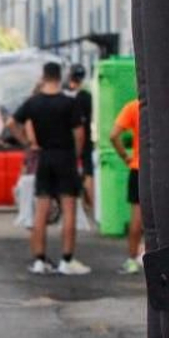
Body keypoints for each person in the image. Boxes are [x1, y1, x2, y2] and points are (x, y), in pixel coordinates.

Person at [9, 61, 89, 275]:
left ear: (44, 76)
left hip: (44, 156)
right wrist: (76, 155)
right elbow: (79, 134)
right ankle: (67, 260)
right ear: (60, 76)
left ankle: (39, 260)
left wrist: (26, 142)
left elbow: (11, 123)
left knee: (41, 210)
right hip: (65, 156)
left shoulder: (33, 103)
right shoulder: (69, 103)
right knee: (69, 208)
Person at [111, 95, 143, 273]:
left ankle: (132, 259)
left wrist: (125, 157)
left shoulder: (133, 107)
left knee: (136, 217)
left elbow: (113, 135)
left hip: (138, 168)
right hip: (162, 168)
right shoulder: (163, 107)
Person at [65, 63, 96, 227]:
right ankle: (92, 206)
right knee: (88, 172)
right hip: (89, 139)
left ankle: (87, 205)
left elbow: (77, 126)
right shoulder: (88, 95)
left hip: (78, 140)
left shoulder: (74, 98)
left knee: (83, 173)